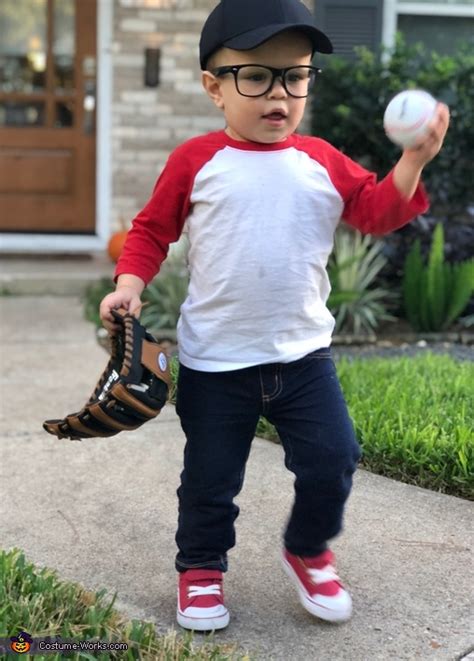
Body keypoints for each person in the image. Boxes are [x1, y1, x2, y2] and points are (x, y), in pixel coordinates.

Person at [100, 0, 450, 632]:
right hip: (217, 361)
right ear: (214, 87)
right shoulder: (196, 161)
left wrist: (414, 161)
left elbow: (376, 211)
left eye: (296, 76)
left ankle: (308, 547)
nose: (279, 94)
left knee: (334, 458)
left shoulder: (319, 159)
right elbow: (152, 230)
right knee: (210, 478)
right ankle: (201, 569)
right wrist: (130, 283)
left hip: (302, 357)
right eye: (255, 76)